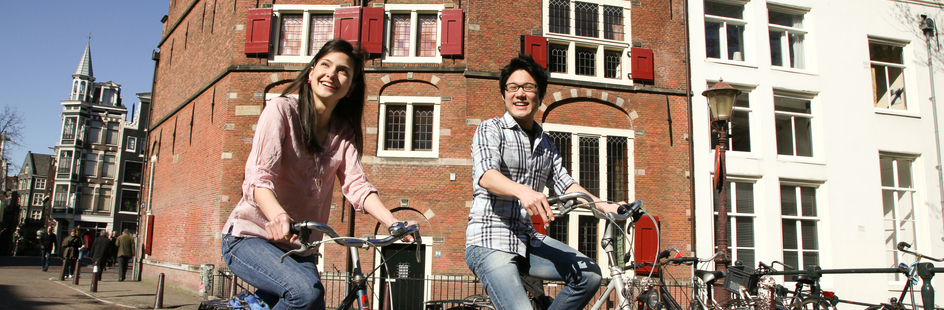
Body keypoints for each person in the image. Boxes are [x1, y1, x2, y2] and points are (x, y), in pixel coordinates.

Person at [221, 39, 410, 310]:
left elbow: (357, 184)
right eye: (326, 65)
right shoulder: (281, 111)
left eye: (343, 71)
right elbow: (258, 177)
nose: (332, 74)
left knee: (312, 301)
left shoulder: (344, 134)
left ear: (350, 88)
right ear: (311, 73)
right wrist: (278, 216)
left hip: (300, 249)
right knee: (304, 295)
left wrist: (393, 222)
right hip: (251, 237)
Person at [465, 54, 624, 310]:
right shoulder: (489, 129)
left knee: (590, 275)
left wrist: (606, 206)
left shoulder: (546, 142)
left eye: (528, 87)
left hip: (526, 239)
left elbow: (566, 184)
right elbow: (486, 175)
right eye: (513, 87)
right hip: (489, 240)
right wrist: (522, 192)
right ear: (503, 94)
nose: (520, 94)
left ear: (539, 96)